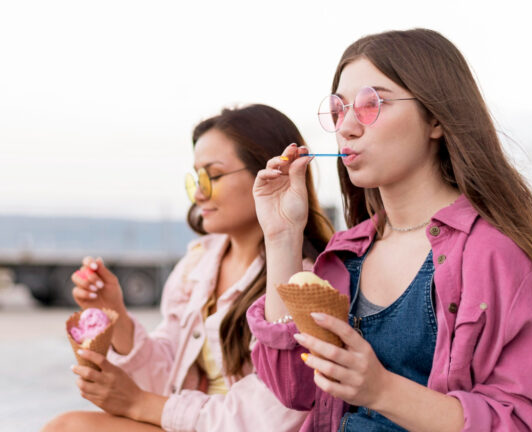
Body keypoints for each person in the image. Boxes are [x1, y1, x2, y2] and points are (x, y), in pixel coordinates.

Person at [247, 28, 532, 431]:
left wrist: (382, 390)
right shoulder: (346, 254)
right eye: (338, 110)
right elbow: (295, 390)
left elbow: (530, 422)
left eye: (370, 104)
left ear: (435, 118)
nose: (346, 126)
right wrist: (281, 237)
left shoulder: (497, 254)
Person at [41, 104, 334, 431]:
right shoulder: (198, 262)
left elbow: (268, 416)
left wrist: (138, 403)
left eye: (214, 175)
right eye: (197, 177)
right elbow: (167, 378)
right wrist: (117, 314)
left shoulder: (304, 279)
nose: (198, 193)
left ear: (272, 172)